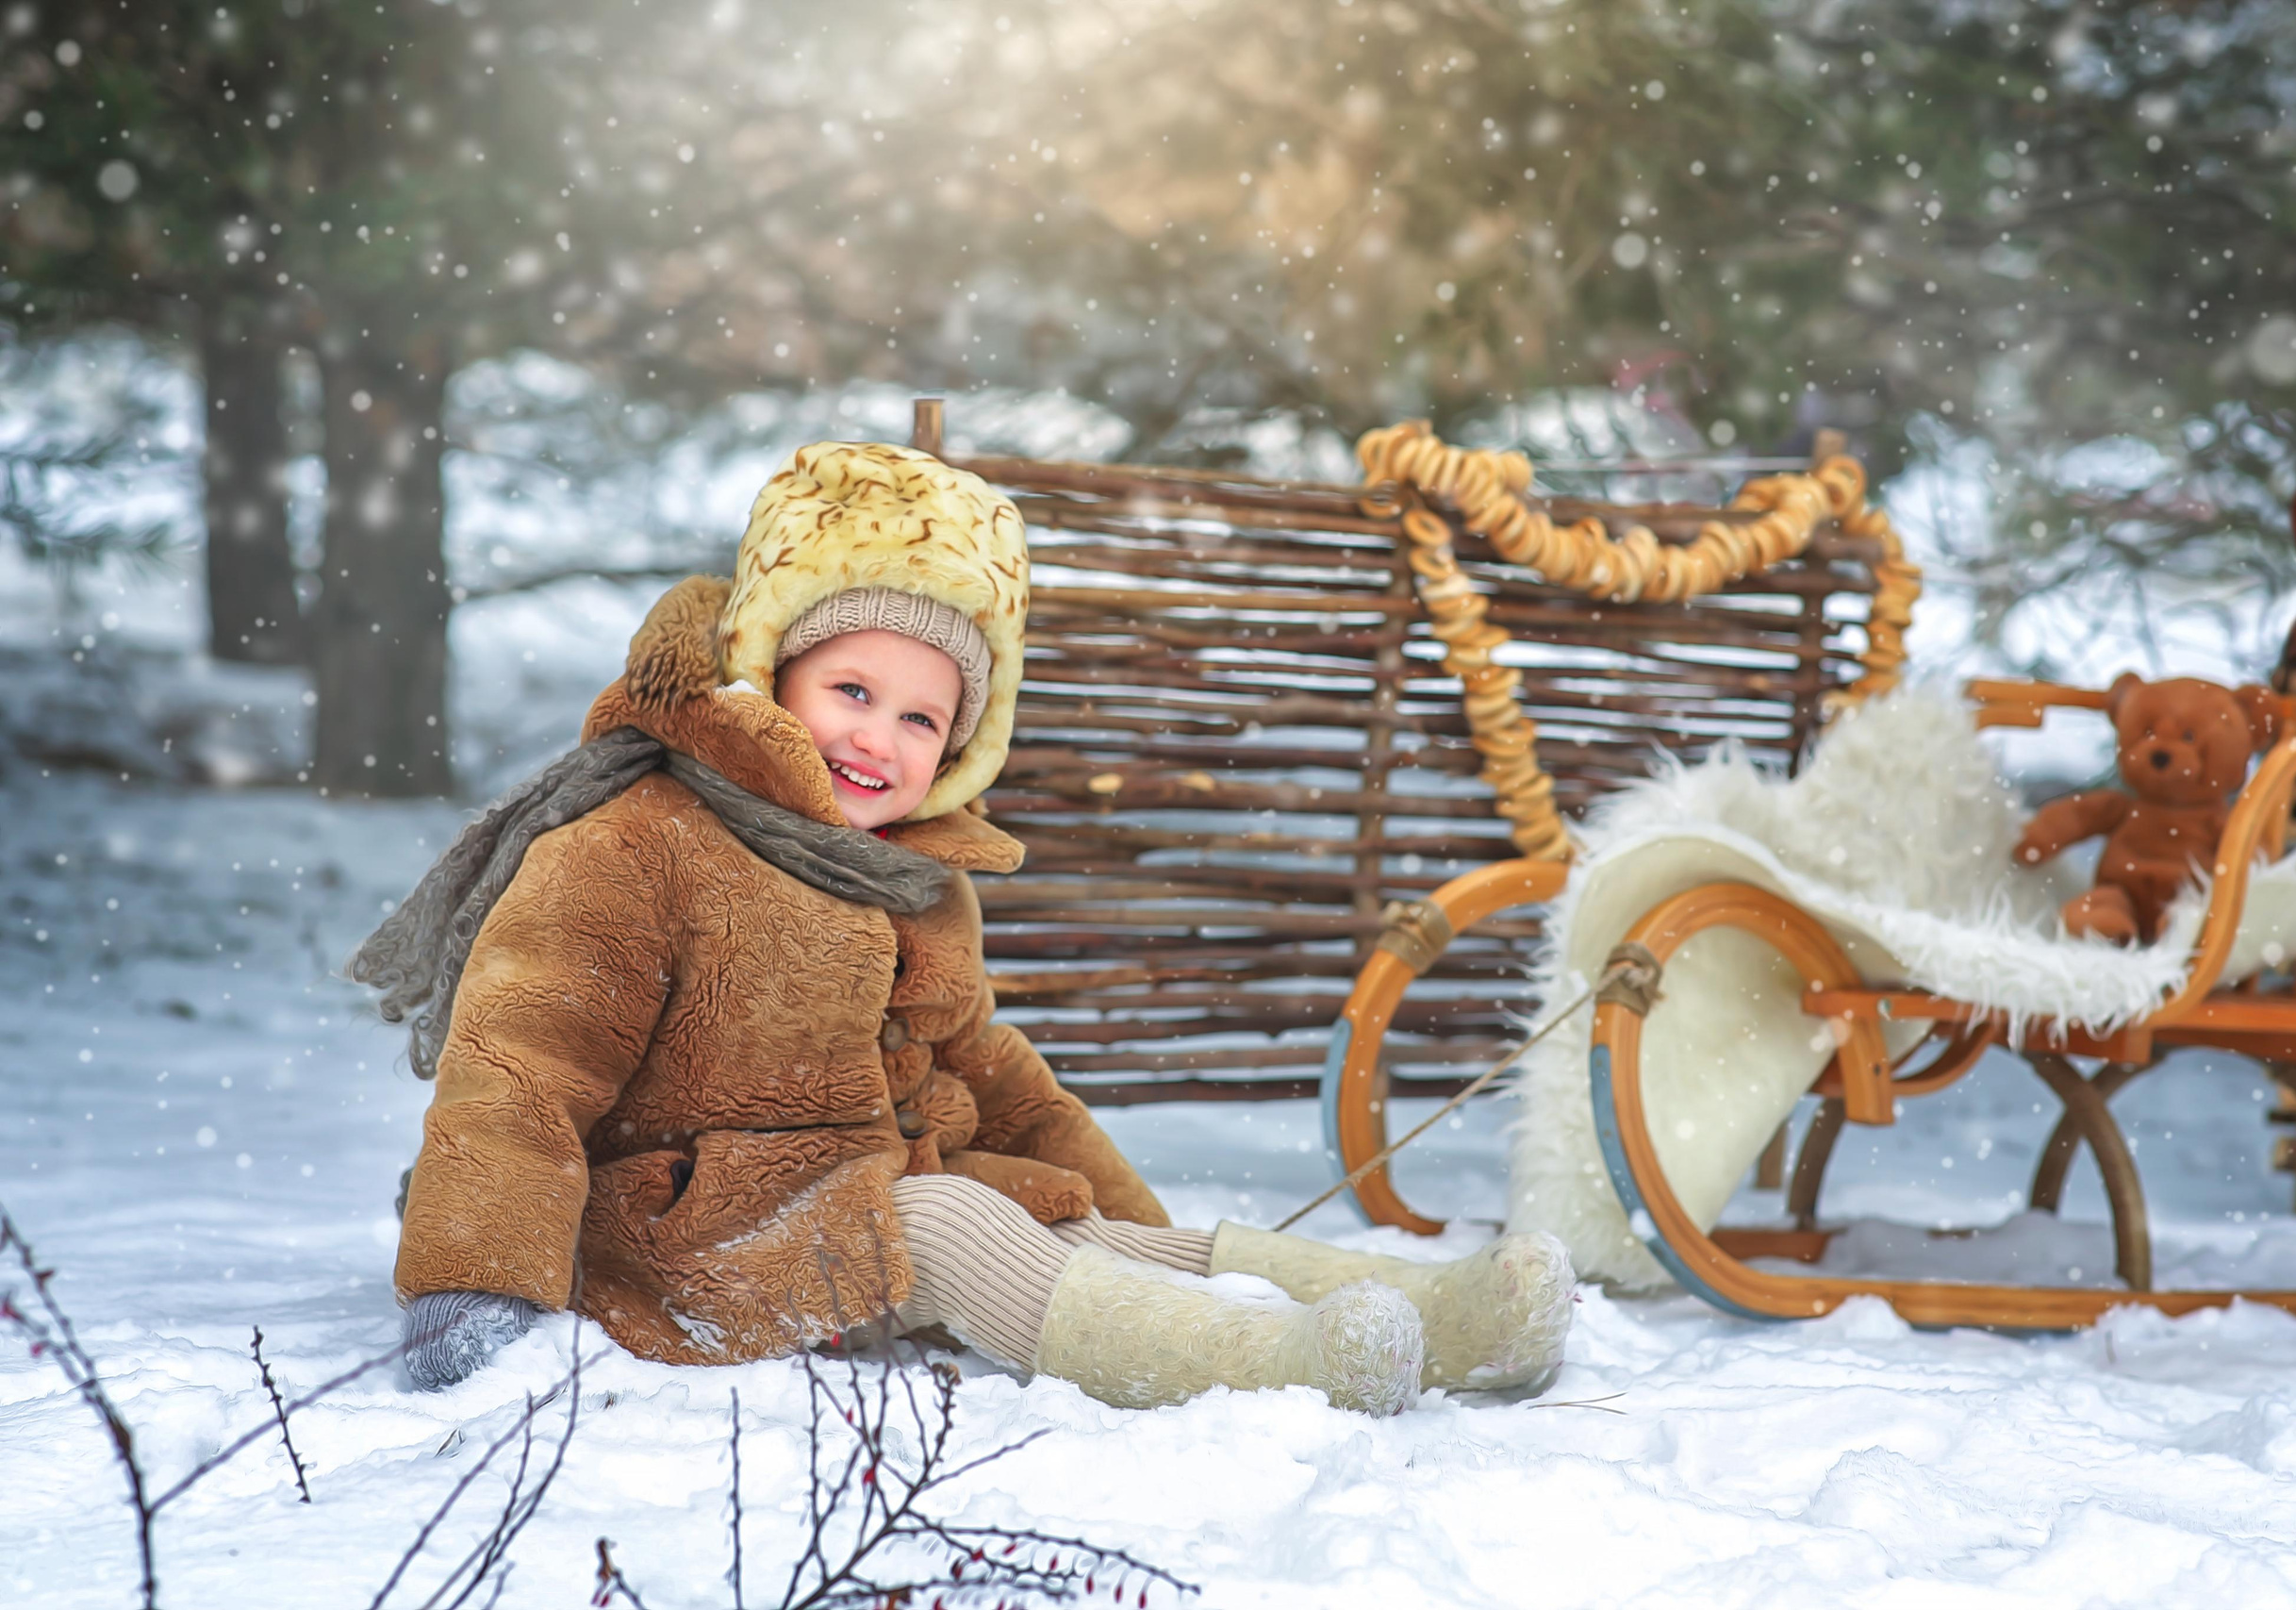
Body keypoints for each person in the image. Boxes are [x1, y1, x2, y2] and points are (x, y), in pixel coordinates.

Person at [356, 441, 1573, 1414]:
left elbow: (992, 1072)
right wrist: (477, 1288)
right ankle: (1283, 1367)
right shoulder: (643, 839)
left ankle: (1428, 1317)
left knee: (1047, 1217)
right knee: (942, 1230)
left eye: (922, 720)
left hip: (863, 1202)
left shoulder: (918, 881)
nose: (878, 740)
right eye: (851, 691)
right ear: (770, 674)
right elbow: (522, 1065)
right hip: (681, 1239)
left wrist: (1115, 1216)